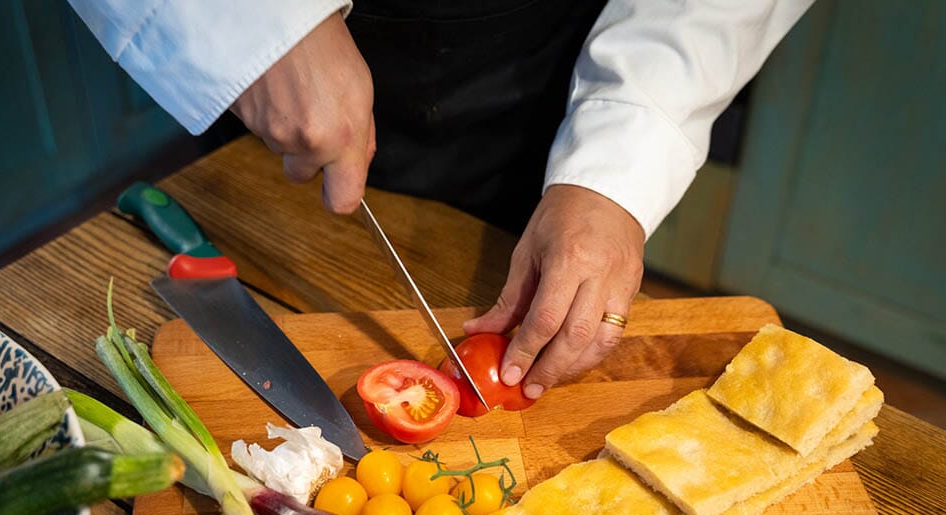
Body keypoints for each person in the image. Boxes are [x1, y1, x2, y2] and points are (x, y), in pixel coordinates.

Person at [68, 0, 813, 400]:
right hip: (281, 93)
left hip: (538, 56)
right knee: (256, 232)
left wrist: (623, 158)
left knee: (521, 285)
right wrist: (249, 18)